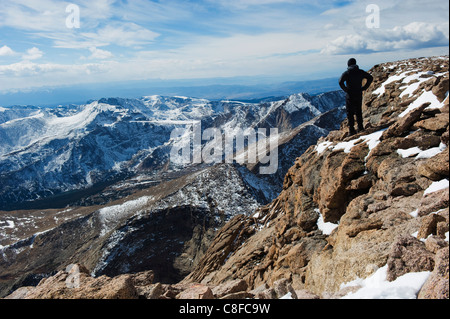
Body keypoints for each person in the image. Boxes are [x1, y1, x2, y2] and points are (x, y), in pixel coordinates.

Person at [339, 58, 374, 136]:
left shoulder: (347, 73)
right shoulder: (360, 72)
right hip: (358, 94)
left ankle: (352, 130)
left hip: (350, 95)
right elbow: (370, 78)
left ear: (348, 64)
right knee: (358, 111)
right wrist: (364, 87)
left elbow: (340, 81)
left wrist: (346, 90)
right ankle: (360, 127)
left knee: (350, 113)